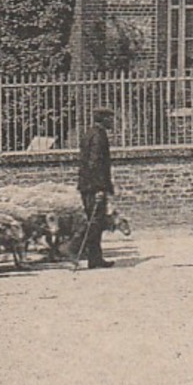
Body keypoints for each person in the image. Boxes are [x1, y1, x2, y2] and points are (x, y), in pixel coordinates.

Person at [77, 107, 116, 269]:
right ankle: (80, 251)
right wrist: (100, 187)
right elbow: (95, 163)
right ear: (103, 119)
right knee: (95, 222)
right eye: (110, 118)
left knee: (95, 222)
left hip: (87, 185)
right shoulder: (98, 136)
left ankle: (95, 257)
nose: (112, 122)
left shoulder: (89, 133)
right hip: (94, 186)